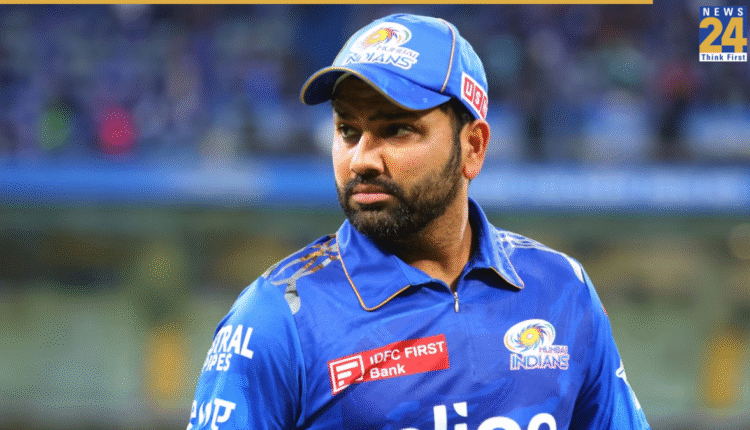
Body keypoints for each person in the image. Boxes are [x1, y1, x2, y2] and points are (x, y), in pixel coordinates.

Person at [187, 14, 651, 430]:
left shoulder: (563, 290)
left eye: (396, 130)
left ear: (473, 147)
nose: (362, 159)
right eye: (347, 130)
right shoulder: (276, 319)